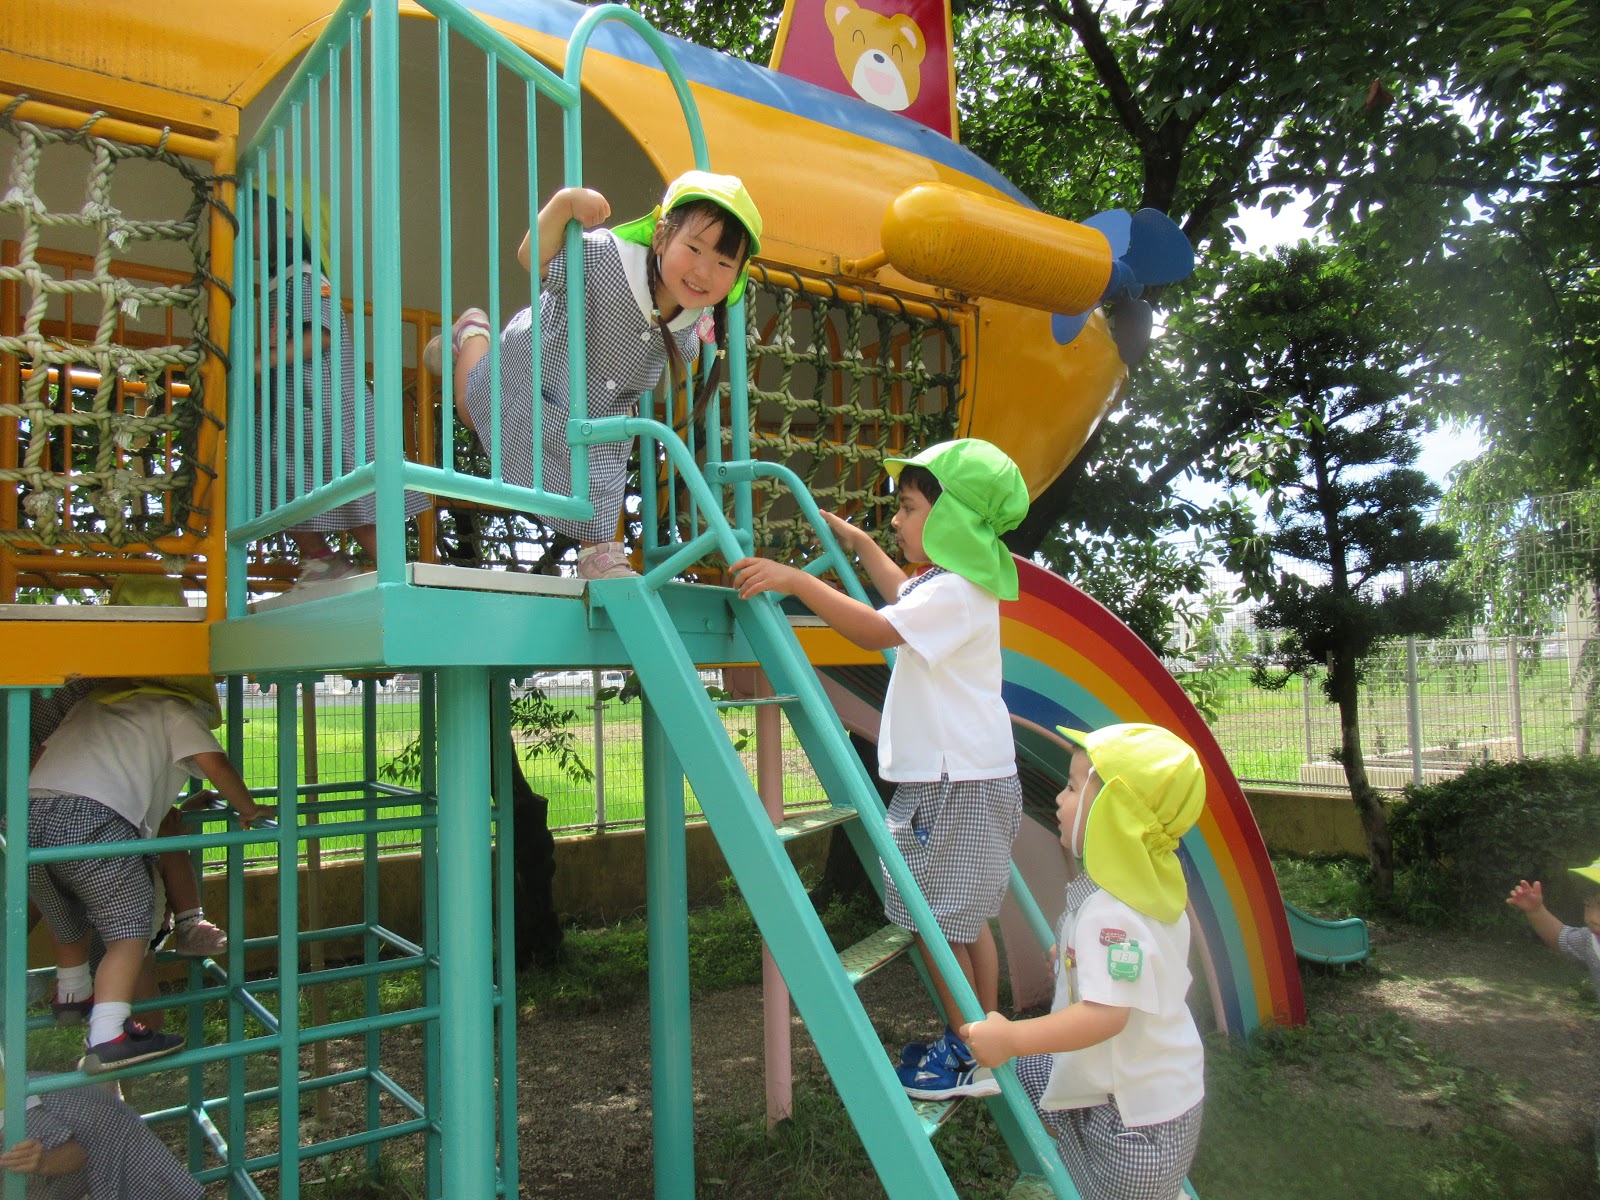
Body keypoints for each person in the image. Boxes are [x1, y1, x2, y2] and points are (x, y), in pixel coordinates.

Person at [731, 438, 1029, 1099]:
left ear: (952, 520)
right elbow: (899, 595)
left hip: (954, 785)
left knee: (936, 925)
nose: (897, 520)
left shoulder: (953, 593)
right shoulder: (956, 586)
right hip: (972, 778)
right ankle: (980, 1043)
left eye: (909, 508)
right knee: (965, 922)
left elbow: (874, 629)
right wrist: (861, 545)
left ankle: (967, 1053)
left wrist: (797, 581)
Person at [425, 170, 763, 580]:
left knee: (601, 466)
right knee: (470, 408)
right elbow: (532, 257)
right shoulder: (607, 258)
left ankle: (598, 554)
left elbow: (686, 347)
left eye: (724, 262)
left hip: (593, 411)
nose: (704, 272)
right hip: (532, 368)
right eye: (694, 248)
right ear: (660, 236)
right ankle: (473, 332)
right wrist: (564, 205)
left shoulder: (690, 321)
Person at [961, 723, 1206, 1200]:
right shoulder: (1151, 886)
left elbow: (1106, 1015)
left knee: (1026, 1065)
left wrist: (1012, 1038)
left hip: (1130, 1130)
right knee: (1034, 1072)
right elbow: (1146, 960)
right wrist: (1076, 961)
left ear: (1115, 815)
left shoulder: (1110, 914)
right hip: (1156, 1101)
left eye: (1073, 789)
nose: (1058, 798)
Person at [25, 656, 261, 1073]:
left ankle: (72, 992)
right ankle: (109, 1033)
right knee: (129, 925)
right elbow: (215, 763)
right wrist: (249, 809)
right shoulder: (174, 709)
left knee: (65, 913)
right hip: (93, 821)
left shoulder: (92, 704)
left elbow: (42, 756)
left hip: (26, 818)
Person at [257, 186, 431, 587]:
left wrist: (261, 360)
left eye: (255, 218)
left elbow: (321, 335)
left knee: (354, 496)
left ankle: (397, 574)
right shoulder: (273, 285)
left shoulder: (304, 275)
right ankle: (322, 559)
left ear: (288, 223)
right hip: (293, 407)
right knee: (283, 485)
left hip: (325, 403)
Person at [1, 1051, 203, 1199]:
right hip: (95, 1143)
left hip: (119, 1153)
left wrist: (42, 1161)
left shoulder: (17, 1116)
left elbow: (75, 1154)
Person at [1507, 863, 1600, 1176]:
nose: (1593, 918)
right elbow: (1562, 937)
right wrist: (1537, 911)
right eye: (1589, 905)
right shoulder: (1592, 943)